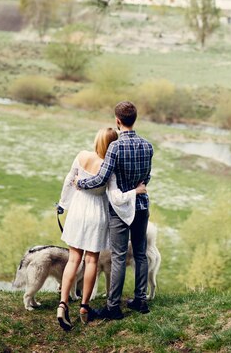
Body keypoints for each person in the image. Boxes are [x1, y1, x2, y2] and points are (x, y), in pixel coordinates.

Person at [56, 126, 147, 331]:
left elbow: (69, 181)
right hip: (97, 214)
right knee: (91, 261)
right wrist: (136, 190)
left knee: (73, 259)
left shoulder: (81, 156)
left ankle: (62, 304)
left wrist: (63, 203)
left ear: (97, 140)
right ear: (112, 144)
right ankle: (84, 307)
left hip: (78, 210)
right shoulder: (110, 167)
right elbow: (116, 197)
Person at [77, 100, 153, 320]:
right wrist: (137, 188)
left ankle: (113, 307)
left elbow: (102, 177)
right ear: (134, 119)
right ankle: (141, 301)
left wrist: (80, 183)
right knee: (140, 253)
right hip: (141, 205)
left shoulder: (115, 147)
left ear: (118, 121)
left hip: (120, 209)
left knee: (119, 256)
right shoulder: (148, 146)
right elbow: (146, 178)